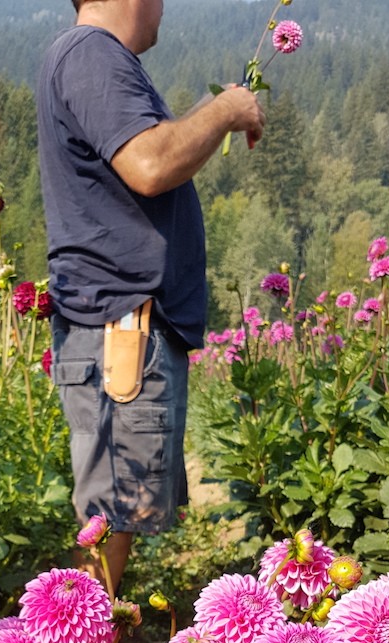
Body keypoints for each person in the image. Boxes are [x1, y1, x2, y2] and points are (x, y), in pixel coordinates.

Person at [37, 0, 265, 590]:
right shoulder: (91, 54)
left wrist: (213, 115)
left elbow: (152, 150)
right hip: (122, 329)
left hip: (124, 324)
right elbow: (150, 163)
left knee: (116, 514)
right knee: (109, 516)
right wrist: (222, 110)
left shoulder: (94, 57)